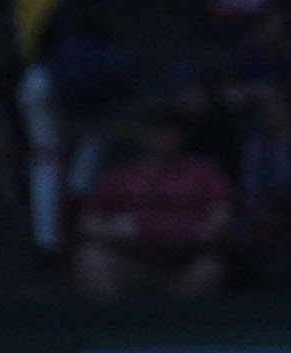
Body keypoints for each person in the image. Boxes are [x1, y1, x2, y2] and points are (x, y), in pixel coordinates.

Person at [71, 115, 233, 298]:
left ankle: (183, 324)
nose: (162, 138)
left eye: (169, 131)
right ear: (143, 135)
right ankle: (114, 323)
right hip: (134, 260)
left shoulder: (203, 171)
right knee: (91, 257)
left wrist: (175, 231)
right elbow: (89, 223)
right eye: (156, 131)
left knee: (209, 268)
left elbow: (220, 218)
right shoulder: (123, 175)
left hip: (183, 262)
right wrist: (112, 230)